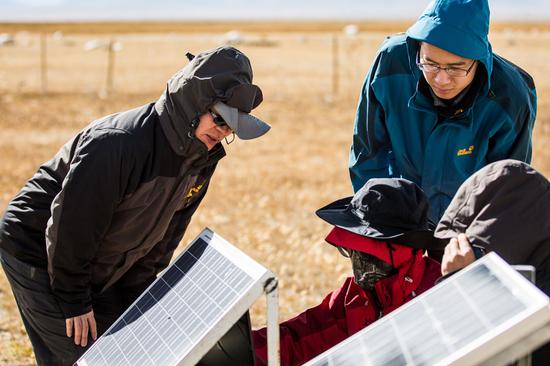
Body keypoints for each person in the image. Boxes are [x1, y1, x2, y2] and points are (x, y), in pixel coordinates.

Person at [0, 46, 270, 366]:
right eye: (220, 119)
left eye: (231, 127)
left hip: (97, 259)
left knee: (128, 352)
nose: (223, 131)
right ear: (194, 103)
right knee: (86, 357)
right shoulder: (116, 143)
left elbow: (163, 240)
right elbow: (71, 226)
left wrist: (136, 306)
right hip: (39, 250)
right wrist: (74, 301)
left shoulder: (203, 158)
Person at [349, 0, 537, 223]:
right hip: (399, 214)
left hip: (465, 224)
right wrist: (379, 214)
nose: (441, 79)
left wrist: (473, 242)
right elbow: (368, 153)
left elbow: (507, 187)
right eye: (430, 63)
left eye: (456, 67)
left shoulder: (511, 97)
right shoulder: (390, 65)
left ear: (479, 59)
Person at [253, 178, 444, 366]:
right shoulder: (355, 297)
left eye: (368, 254)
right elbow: (298, 338)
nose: (356, 263)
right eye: (351, 251)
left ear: (403, 251)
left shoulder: (439, 295)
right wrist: (240, 347)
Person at [435, 159, 550, 365]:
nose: (458, 254)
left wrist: (461, 287)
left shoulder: (538, 306)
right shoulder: (529, 280)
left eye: (473, 250)